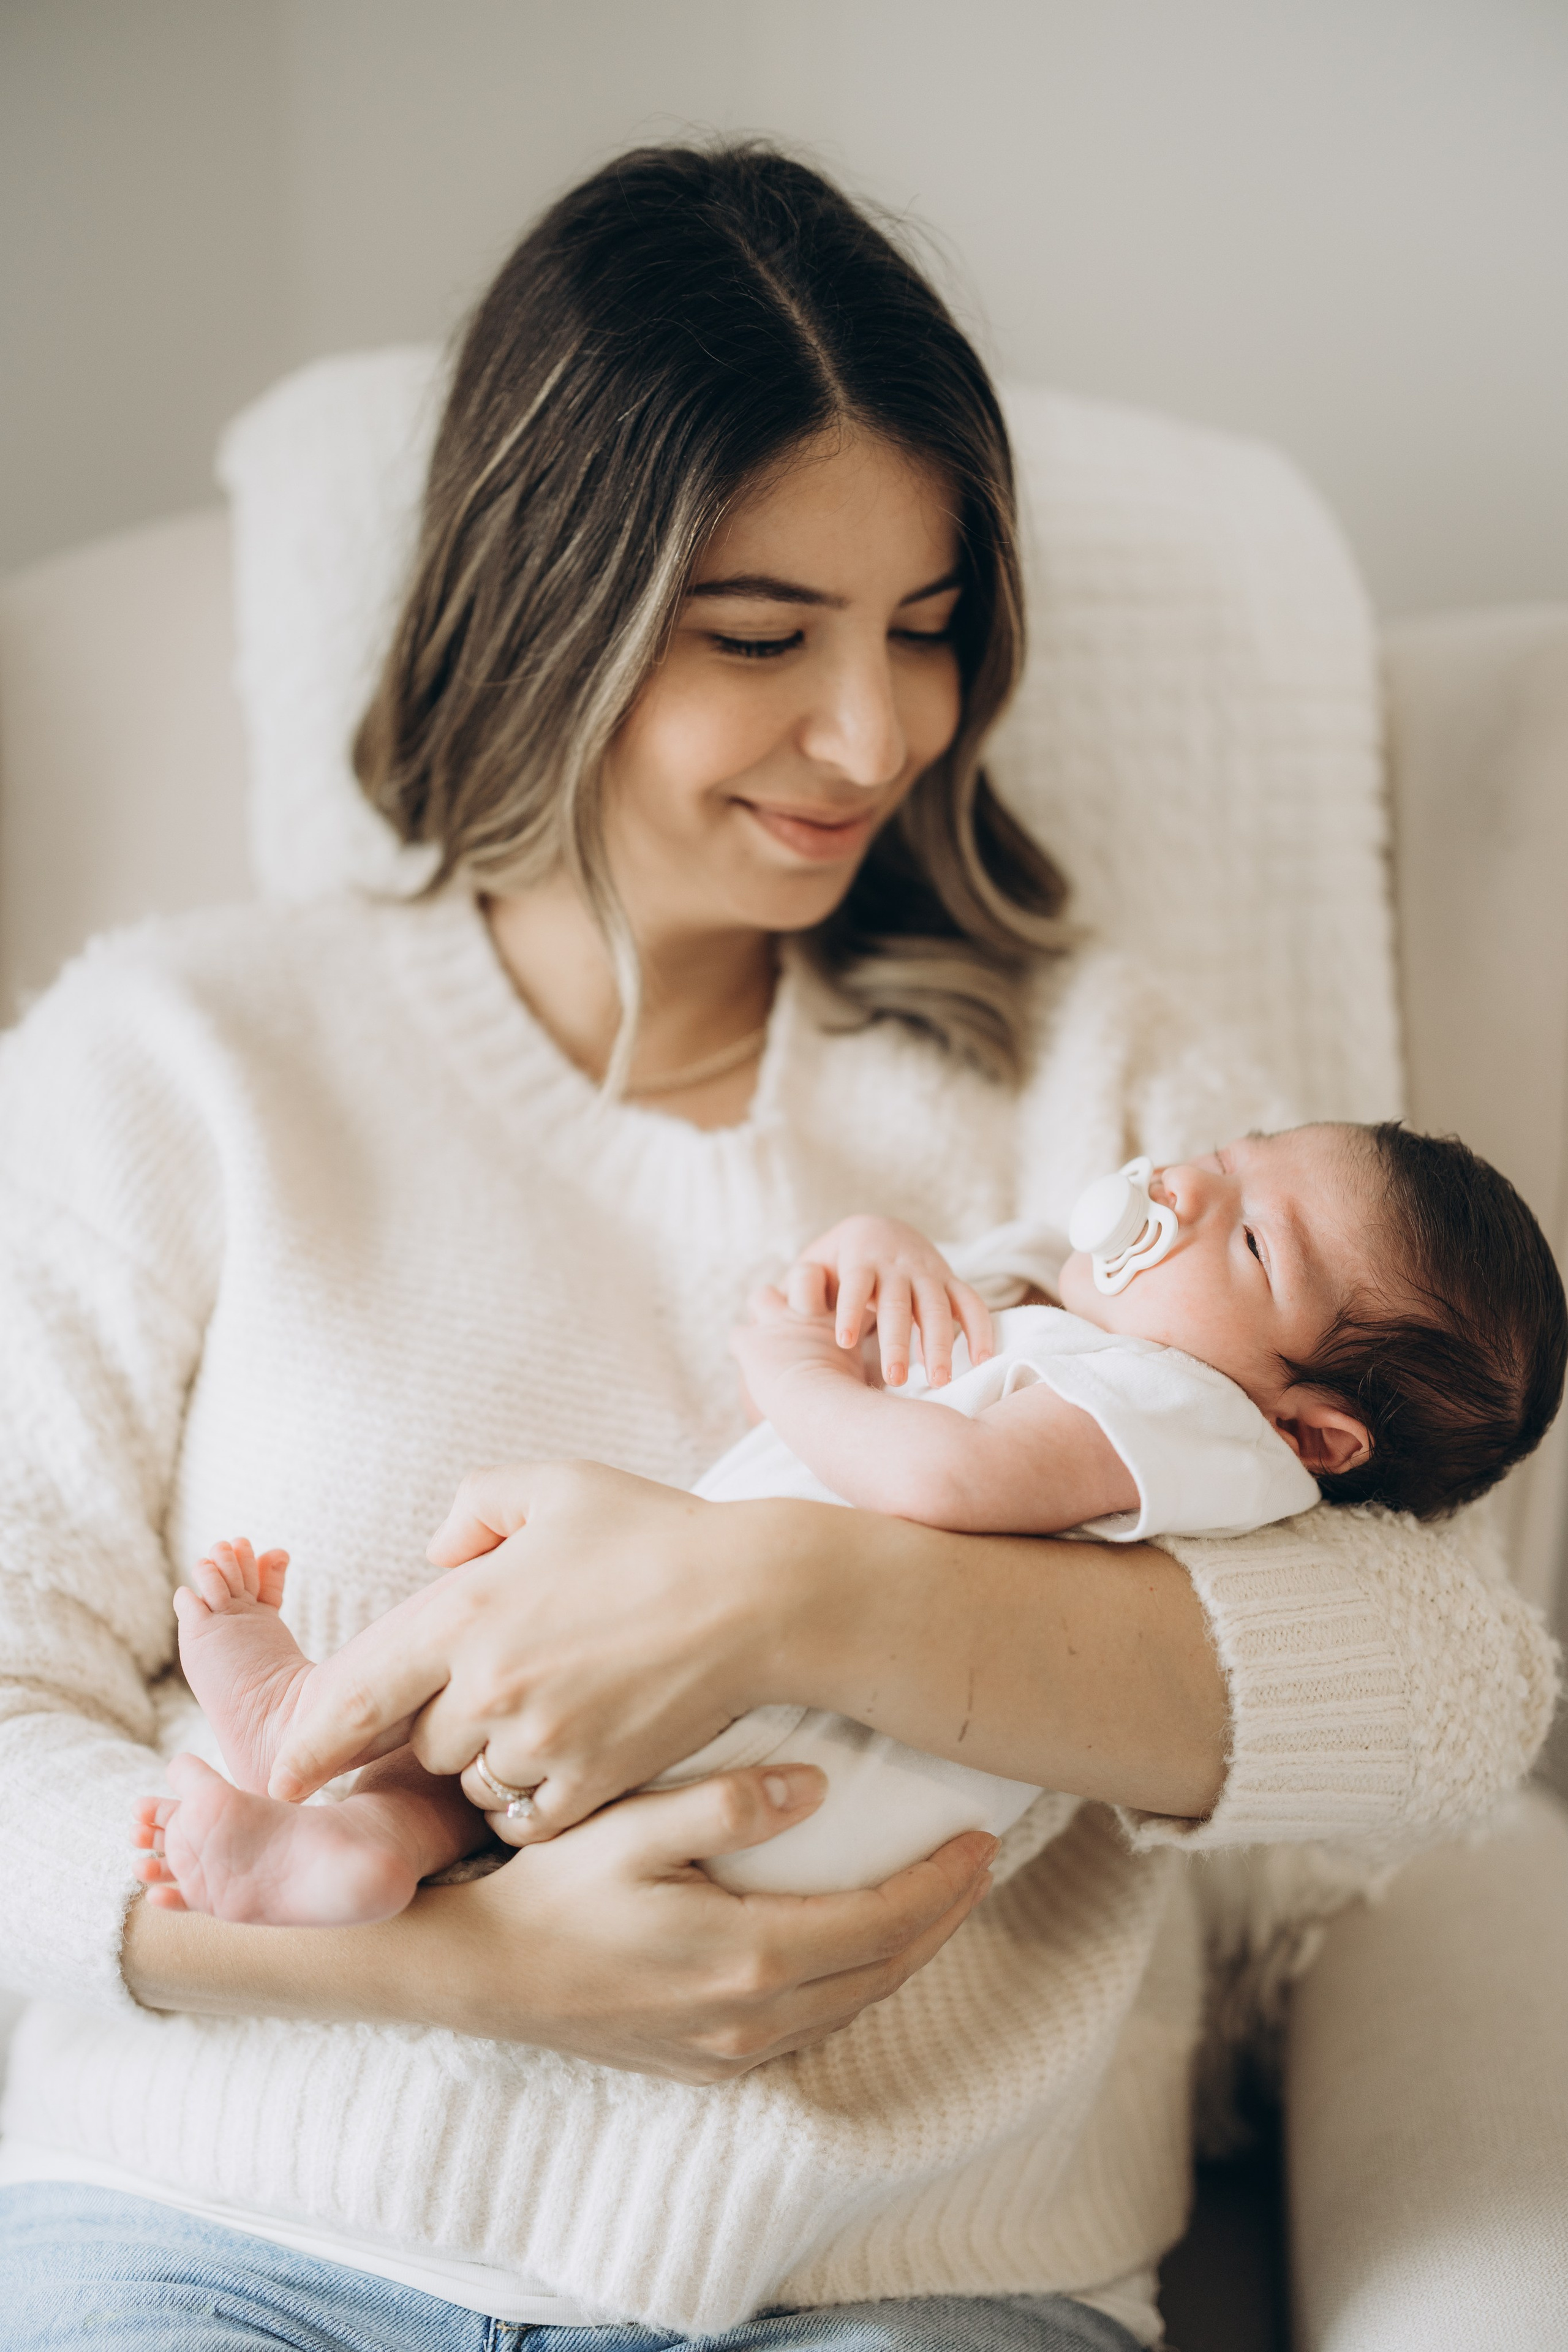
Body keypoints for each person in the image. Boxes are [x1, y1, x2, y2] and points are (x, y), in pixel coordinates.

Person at [0, 143, 1555, 2352]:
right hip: (232, 2225)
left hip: (900, 2279)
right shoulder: (181, 1060)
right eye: (760, 640)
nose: (875, 736)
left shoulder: (1113, 1115)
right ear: (546, 606)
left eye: (927, 632)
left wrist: (790, 1586)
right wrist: (472, 1968)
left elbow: (1455, 1697)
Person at [129, 1123, 1566, 1921]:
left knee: (537, 1594)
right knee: (524, 1691)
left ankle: (317, 1717)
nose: (1187, 1182)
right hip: (773, 1756)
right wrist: (878, 1258)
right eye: (1242, 1148)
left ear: (1311, 1432)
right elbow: (972, 1338)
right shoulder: (1116, 1351)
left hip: (811, 1740)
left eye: (1252, 1237)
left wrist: (790, 1368)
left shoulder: (1187, 1418)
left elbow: (935, 1482)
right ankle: (355, 1845)